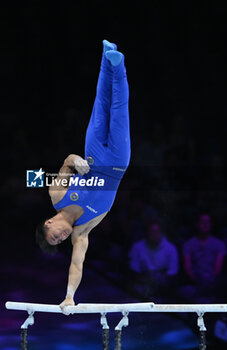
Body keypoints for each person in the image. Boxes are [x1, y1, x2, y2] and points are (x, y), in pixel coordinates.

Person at [35, 40, 130, 314]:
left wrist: (76, 160)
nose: (61, 238)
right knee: (118, 110)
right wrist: (69, 297)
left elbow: (67, 162)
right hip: (116, 164)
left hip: (91, 155)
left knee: (100, 105)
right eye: (59, 242)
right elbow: (76, 264)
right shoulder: (81, 233)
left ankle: (106, 55)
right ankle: (119, 65)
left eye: (54, 237)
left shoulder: (56, 194)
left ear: (49, 222)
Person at [180, 212, 227, 303]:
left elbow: (218, 268)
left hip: (213, 282)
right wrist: (197, 279)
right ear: (197, 224)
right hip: (195, 281)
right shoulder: (188, 244)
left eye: (208, 222)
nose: (205, 224)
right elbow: (188, 267)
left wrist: (209, 280)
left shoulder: (219, 244)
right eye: (202, 221)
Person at [128, 220, 179, 299]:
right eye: (152, 231)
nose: (155, 234)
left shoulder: (171, 248)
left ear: (162, 232)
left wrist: (159, 281)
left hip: (163, 287)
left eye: (157, 231)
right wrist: (146, 280)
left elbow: (172, 273)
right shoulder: (137, 247)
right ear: (147, 232)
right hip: (142, 285)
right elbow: (134, 271)